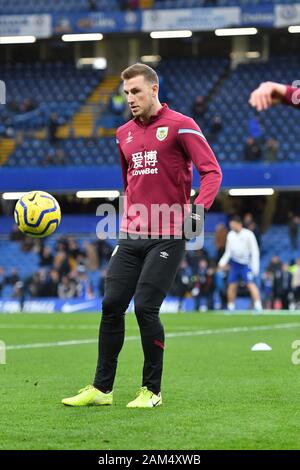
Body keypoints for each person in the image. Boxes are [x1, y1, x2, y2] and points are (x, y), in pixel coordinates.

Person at [62, 63, 222, 409]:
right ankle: (102, 390)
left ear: (154, 89)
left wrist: (197, 211)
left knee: (146, 308)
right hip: (132, 233)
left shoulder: (182, 126)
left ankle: (152, 391)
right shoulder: (123, 134)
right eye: (125, 93)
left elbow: (212, 172)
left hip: (169, 233)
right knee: (111, 305)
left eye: (135, 91)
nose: (129, 99)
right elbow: (129, 181)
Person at [218, 215, 262, 312]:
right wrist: (222, 262)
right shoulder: (230, 235)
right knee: (232, 285)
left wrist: (255, 267)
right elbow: (228, 251)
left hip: (246, 264)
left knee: (250, 285)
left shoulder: (248, 234)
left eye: (233, 225)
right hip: (235, 264)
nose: (232, 227)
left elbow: (255, 251)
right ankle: (231, 306)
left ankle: (258, 305)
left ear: (239, 224)